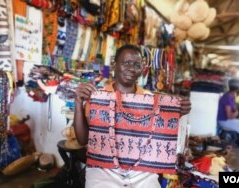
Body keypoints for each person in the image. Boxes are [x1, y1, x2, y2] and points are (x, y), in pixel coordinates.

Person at [73, 44, 191, 188]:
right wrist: (78, 103)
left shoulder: (153, 100)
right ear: (115, 65)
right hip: (104, 171)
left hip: (143, 173)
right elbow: (82, 140)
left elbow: (162, 135)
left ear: (142, 69)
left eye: (137, 64)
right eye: (126, 63)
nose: (131, 68)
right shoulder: (99, 98)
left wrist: (177, 112)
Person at [217, 78, 239, 150]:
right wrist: (238, 112)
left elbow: (234, 109)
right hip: (224, 121)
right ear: (238, 87)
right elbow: (229, 116)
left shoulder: (231, 95)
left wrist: (238, 111)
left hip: (228, 119)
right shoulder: (227, 97)